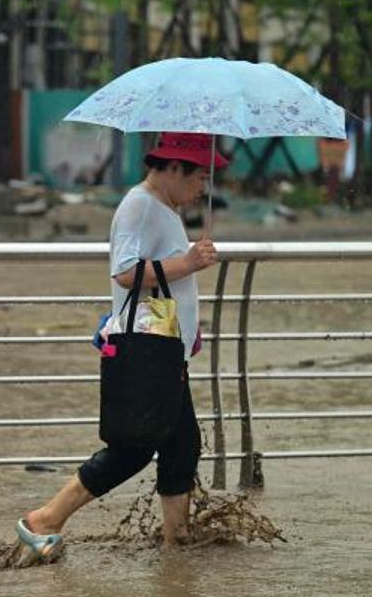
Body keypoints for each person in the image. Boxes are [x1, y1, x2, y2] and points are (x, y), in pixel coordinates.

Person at [14, 131, 222, 562]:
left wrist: (188, 329)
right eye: (200, 176)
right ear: (173, 168)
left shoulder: (163, 208)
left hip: (165, 350)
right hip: (145, 351)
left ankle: (176, 542)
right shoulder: (140, 204)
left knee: (182, 443)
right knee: (134, 449)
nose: (203, 187)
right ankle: (46, 519)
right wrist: (190, 262)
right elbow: (125, 272)